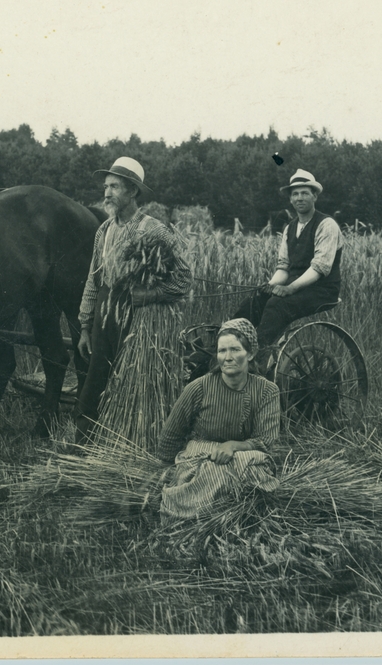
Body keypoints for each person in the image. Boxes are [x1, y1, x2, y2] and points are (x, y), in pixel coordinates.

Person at [76, 156, 192, 440]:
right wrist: (84, 326)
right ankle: (85, 442)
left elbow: (184, 278)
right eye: (106, 186)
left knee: (131, 381)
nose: (107, 193)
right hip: (105, 313)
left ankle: (130, 440)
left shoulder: (153, 229)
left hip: (140, 318)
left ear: (133, 192)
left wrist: (151, 294)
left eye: (115, 186)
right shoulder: (104, 230)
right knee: (96, 380)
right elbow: (94, 279)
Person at [155, 318, 282, 522]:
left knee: (246, 467)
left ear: (250, 354)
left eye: (235, 350)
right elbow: (171, 434)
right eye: (222, 351)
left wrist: (233, 446)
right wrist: (164, 472)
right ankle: (214, 512)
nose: (228, 357)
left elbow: (266, 442)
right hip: (201, 454)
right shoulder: (198, 388)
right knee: (212, 470)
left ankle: (224, 513)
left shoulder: (267, 391)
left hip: (244, 456)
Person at [235, 168, 343, 351]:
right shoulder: (290, 228)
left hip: (322, 290)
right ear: (290, 199)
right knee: (254, 300)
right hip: (295, 287)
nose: (299, 198)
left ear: (314, 196)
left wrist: (289, 288)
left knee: (277, 305)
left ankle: (258, 353)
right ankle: (231, 344)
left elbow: (319, 268)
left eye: (304, 193)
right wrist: (269, 285)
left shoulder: (327, 225)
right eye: (295, 194)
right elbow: (283, 268)